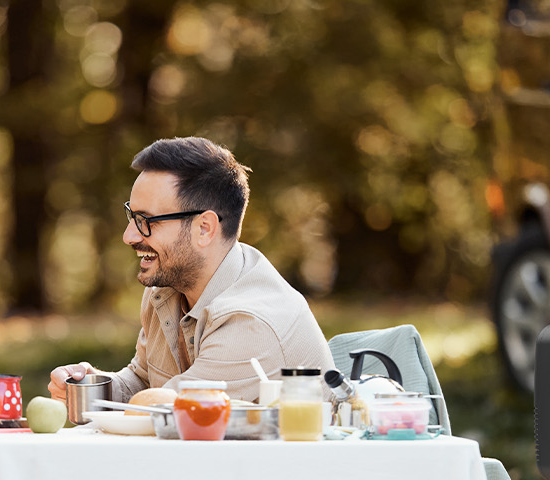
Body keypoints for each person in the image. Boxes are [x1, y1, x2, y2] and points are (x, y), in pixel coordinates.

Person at [48, 137, 335, 405]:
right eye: (131, 217)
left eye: (147, 221)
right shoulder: (165, 290)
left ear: (205, 228)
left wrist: (114, 401)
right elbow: (142, 381)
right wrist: (90, 385)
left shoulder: (251, 323)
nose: (129, 236)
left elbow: (162, 412)